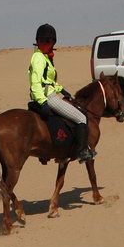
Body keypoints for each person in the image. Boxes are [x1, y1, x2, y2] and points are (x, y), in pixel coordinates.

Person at [29, 23, 95, 162]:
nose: (46, 43)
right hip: (48, 97)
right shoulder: (39, 58)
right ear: (38, 41)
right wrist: (42, 101)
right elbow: (35, 82)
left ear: (53, 42)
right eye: (43, 41)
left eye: (49, 41)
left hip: (52, 93)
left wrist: (61, 89)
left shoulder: (45, 57)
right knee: (82, 118)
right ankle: (82, 152)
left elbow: (48, 80)